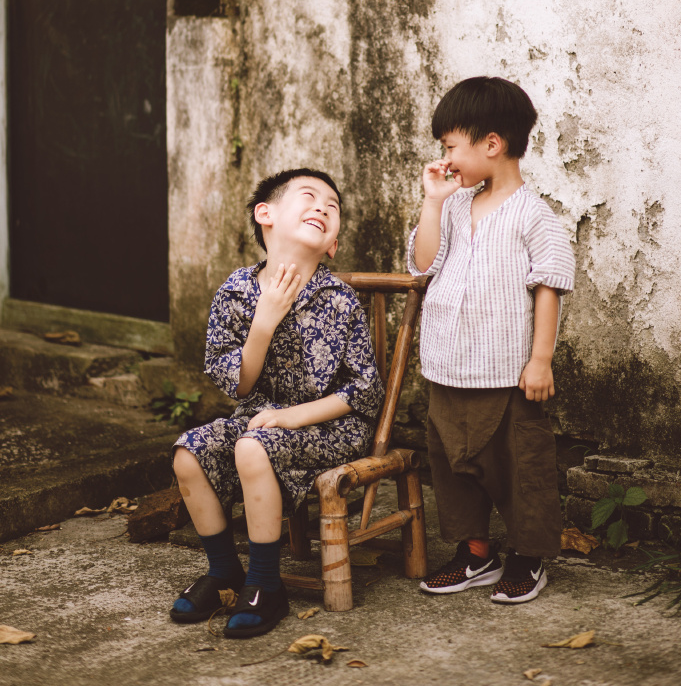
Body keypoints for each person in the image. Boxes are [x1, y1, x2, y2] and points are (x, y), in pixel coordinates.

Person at [170, 169, 384, 638]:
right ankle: (224, 571)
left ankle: (266, 584)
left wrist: (289, 418)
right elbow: (238, 386)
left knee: (253, 446)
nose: (324, 208)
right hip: (255, 418)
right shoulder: (236, 292)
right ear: (264, 215)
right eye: (309, 197)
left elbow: (364, 390)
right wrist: (264, 320)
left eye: (333, 207)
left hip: (330, 427)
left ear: (332, 244)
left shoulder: (339, 299)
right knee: (190, 451)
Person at [408, 76, 575, 604]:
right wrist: (433, 201)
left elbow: (549, 286)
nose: (446, 159)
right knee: (451, 464)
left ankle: (528, 556)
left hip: (505, 370)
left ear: (492, 144)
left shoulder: (534, 215)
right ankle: (475, 552)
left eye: (450, 147)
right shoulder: (455, 206)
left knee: (519, 464)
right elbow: (423, 263)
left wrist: (540, 360)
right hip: (447, 366)